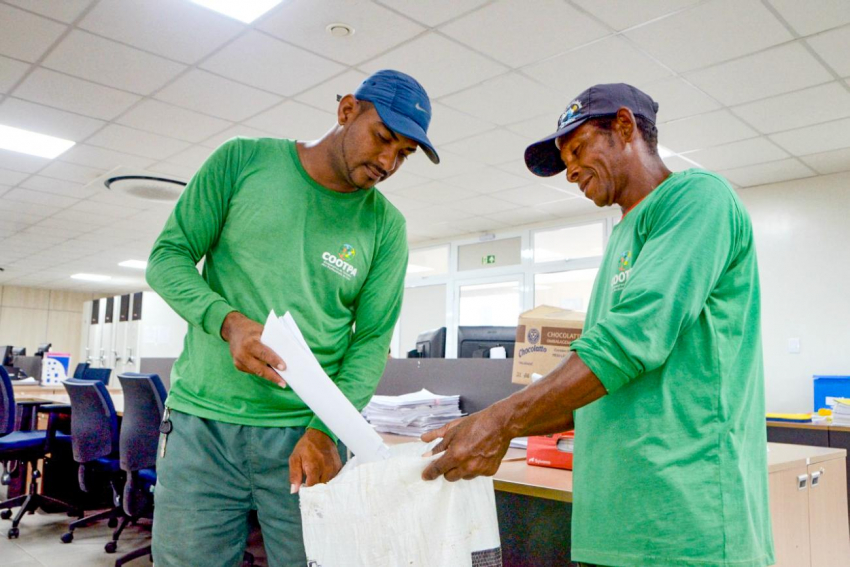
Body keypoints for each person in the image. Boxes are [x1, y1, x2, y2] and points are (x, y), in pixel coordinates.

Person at [421, 83, 774, 567]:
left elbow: (629, 342)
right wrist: (491, 430)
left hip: (687, 527)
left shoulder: (697, 198)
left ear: (625, 127)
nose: (570, 170)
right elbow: (601, 385)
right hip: (614, 527)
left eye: (578, 148)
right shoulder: (622, 237)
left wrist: (500, 419)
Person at [146, 69, 439, 567]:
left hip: (308, 436)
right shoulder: (243, 160)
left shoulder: (386, 227)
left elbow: (370, 341)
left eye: (404, 154)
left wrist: (325, 431)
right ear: (347, 111)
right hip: (202, 427)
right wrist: (227, 321)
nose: (388, 162)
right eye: (383, 138)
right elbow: (167, 257)